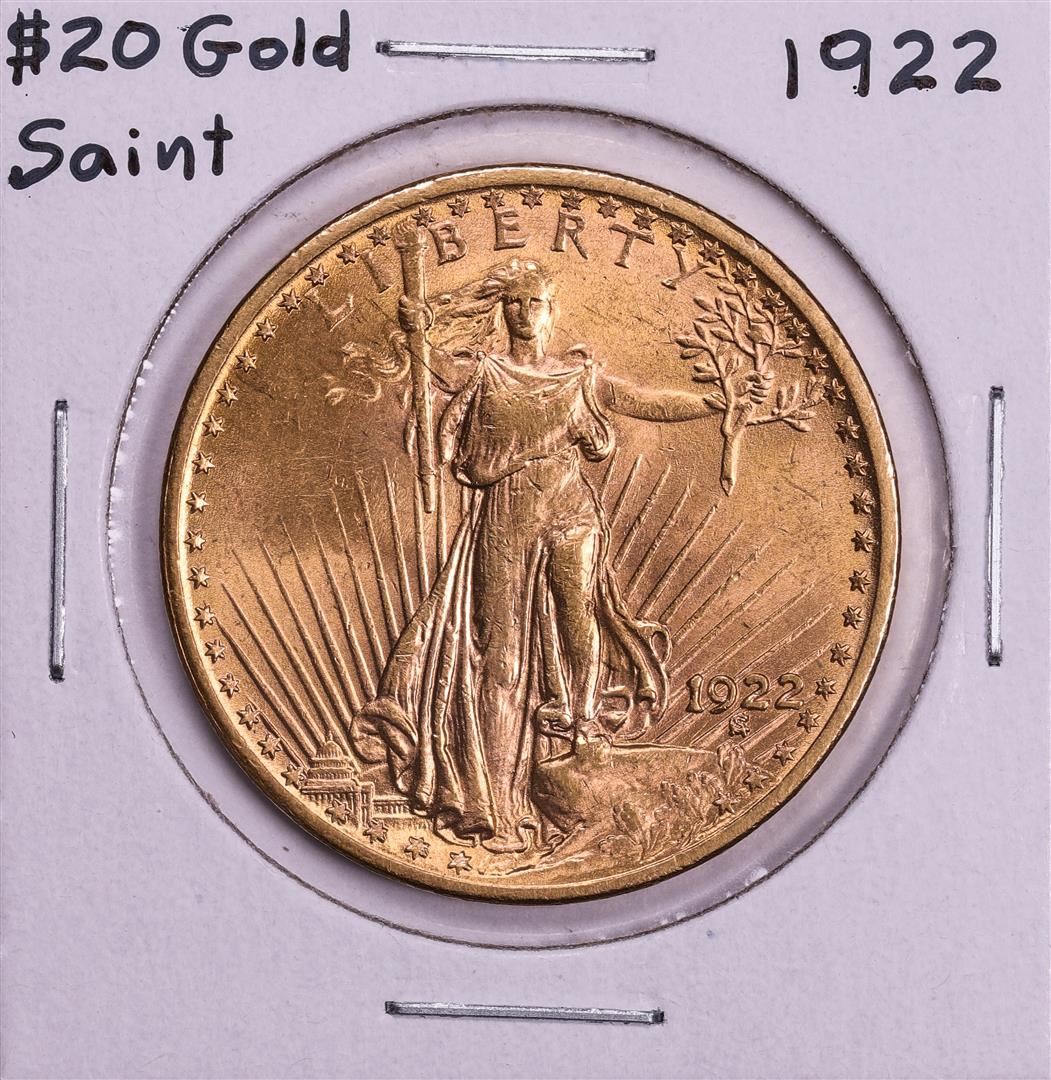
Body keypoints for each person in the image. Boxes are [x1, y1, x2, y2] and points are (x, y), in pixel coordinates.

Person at [351, 259, 767, 853]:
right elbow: (438, 367)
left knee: (580, 620)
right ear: (504, 311)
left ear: (551, 312)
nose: (525, 313)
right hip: (507, 514)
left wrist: (715, 402)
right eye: (515, 303)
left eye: (536, 303)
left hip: (571, 508)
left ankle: (583, 725)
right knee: (499, 654)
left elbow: (642, 401)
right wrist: (417, 333)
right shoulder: (485, 370)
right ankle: (495, 802)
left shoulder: (577, 376)